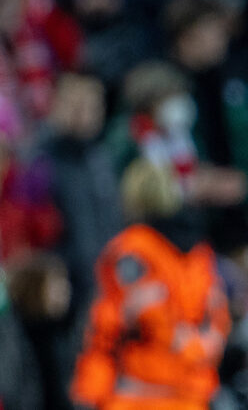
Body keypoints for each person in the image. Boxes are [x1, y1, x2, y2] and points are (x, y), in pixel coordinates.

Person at [71, 159, 230, 410]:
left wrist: (88, 395)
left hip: (139, 395)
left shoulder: (131, 252)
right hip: (192, 395)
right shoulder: (200, 255)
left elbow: (106, 330)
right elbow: (216, 322)